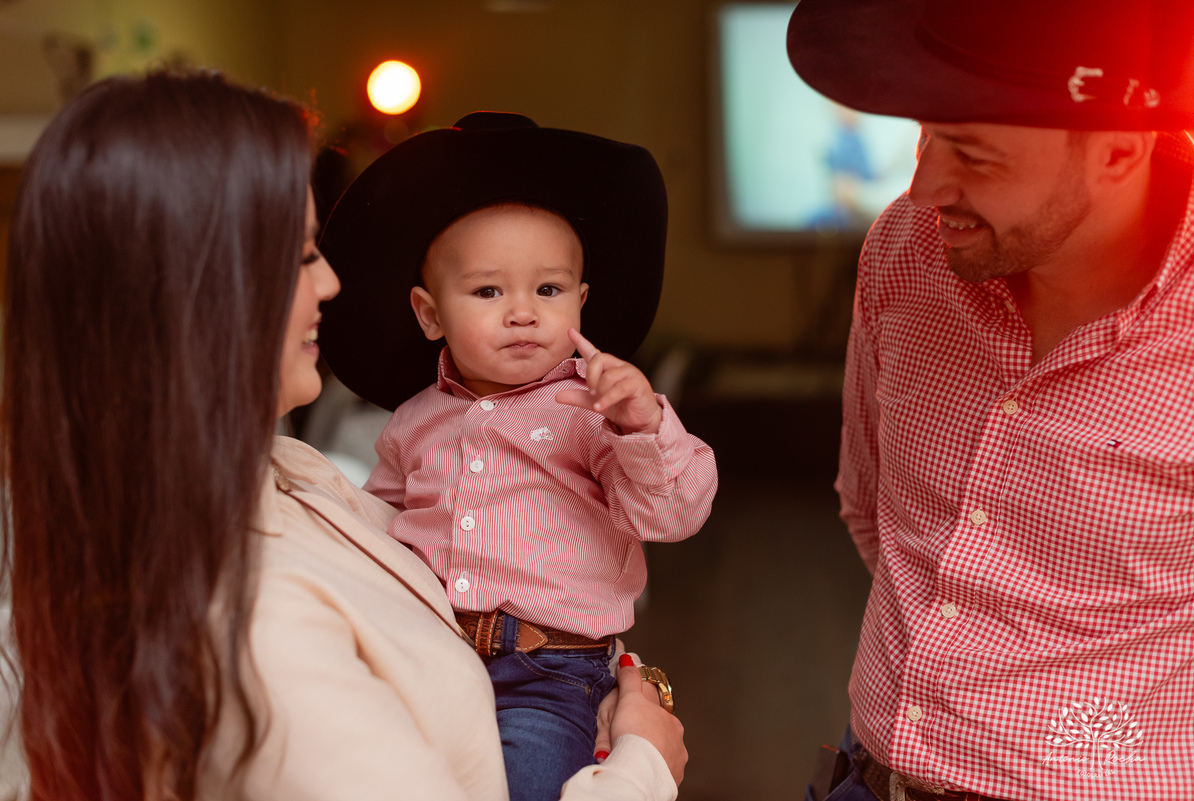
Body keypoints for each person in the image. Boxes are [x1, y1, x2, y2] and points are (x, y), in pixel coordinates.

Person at [1, 71, 685, 801]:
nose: (330, 282)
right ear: (202, 290)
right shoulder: (256, 626)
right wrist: (643, 763)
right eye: (301, 254)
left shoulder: (286, 472)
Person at [785, 1, 1194, 800]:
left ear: (1118, 152)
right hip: (867, 778)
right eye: (926, 134)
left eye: (975, 155)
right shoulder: (906, 249)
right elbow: (873, 509)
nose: (924, 185)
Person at [315, 112, 717, 801]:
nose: (523, 312)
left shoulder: (592, 413)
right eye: (488, 291)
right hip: (426, 652)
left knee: (524, 783)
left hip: (550, 673)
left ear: (581, 304)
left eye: (549, 290)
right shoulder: (412, 421)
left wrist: (643, 425)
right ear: (429, 312)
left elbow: (671, 512)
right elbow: (375, 535)